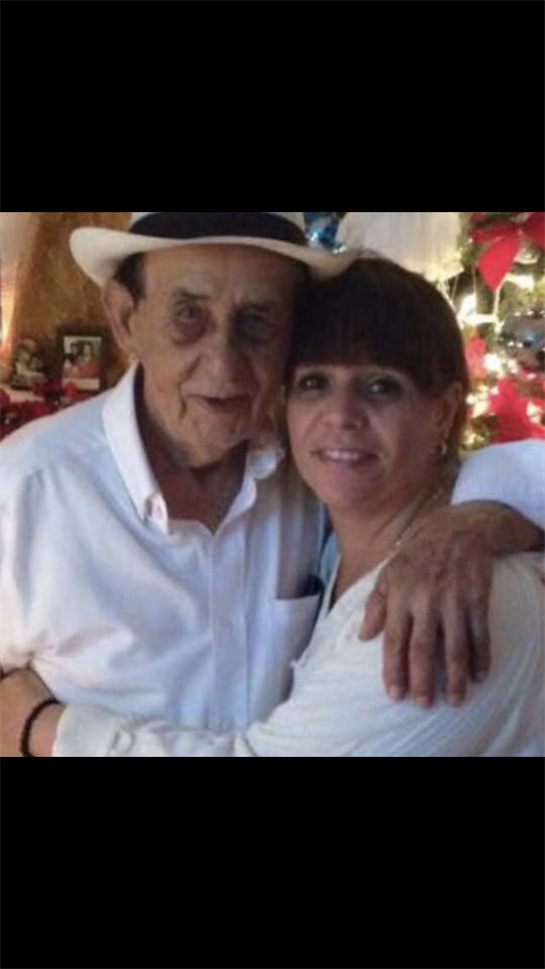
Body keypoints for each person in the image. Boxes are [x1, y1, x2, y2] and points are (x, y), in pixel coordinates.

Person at [0, 214, 543, 757]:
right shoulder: (24, 493)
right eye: (188, 315)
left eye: (257, 320)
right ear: (124, 318)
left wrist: (478, 519)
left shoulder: (320, 474)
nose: (223, 362)